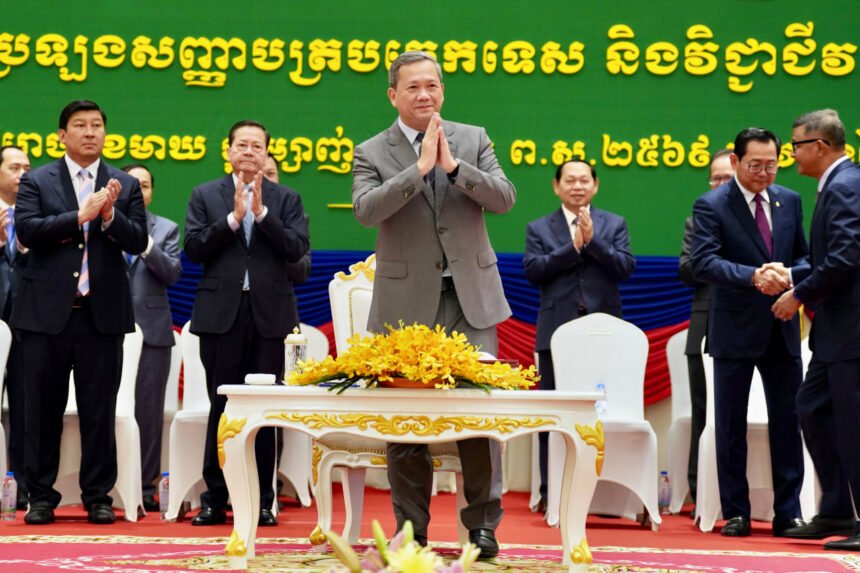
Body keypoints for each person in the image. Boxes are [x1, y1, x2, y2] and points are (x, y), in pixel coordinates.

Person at [352, 50, 515, 558]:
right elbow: (365, 210)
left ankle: (483, 527)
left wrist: (453, 166)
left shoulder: (473, 137)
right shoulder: (371, 150)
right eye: (414, 88)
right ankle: (411, 531)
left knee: (478, 419)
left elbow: (504, 198)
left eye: (433, 86)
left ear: (442, 90)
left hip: (471, 300)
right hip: (406, 303)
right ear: (393, 95)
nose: (425, 95)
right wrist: (418, 171)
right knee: (406, 424)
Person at [13, 100, 148, 525]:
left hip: (100, 314)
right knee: (41, 409)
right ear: (62, 135)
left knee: (98, 409)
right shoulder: (36, 179)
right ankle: (40, 496)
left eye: (96, 125)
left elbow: (138, 240)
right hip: (45, 315)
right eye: (80, 125)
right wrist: (79, 216)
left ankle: (98, 496)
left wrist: (109, 216)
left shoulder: (123, 183)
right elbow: (30, 231)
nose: (90, 132)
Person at [184, 120, 309, 527]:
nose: (250, 152)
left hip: (270, 317)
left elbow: (295, 249)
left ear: (268, 154)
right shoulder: (205, 194)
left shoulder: (286, 199)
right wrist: (234, 220)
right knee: (223, 409)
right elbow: (195, 249)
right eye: (242, 145)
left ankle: (261, 500)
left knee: (264, 412)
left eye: (258, 146)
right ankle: (215, 498)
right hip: (221, 317)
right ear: (229, 150)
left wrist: (262, 215)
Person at [691, 127, 809, 537]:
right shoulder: (712, 205)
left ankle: (788, 511)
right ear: (737, 162)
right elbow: (703, 262)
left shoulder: (790, 200)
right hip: (734, 327)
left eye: (772, 164)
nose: (764, 172)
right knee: (729, 424)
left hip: (782, 325)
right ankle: (736, 510)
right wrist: (754, 276)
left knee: (788, 420)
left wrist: (790, 273)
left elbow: (807, 257)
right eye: (755, 165)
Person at [523, 158, 635, 513]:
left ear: (595, 185)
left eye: (583, 180)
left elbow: (625, 267)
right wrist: (571, 247)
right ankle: (549, 491)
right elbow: (534, 271)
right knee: (551, 415)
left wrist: (593, 241)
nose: (577, 186)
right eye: (569, 180)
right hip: (556, 334)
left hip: (604, 336)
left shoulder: (614, 223)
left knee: (602, 414)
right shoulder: (539, 228)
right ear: (556, 186)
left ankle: (603, 493)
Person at [772, 109, 860, 548]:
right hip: (834, 335)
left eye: (796, 146)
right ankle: (837, 511)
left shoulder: (844, 186)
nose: (792, 154)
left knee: (853, 423)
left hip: (851, 331)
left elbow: (846, 258)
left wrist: (798, 293)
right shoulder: (836, 186)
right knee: (813, 409)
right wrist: (795, 276)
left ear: (820, 146)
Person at [120, 164, 182, 513]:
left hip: (153, 334)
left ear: (151, 192)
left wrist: (145, 244)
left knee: (148, 413)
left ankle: (145, 486)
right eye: (131, 184)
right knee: (102, 410)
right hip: (105, 331)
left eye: (143, 185)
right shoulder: (102, 225)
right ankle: (105, 483)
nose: (138, 191)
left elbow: (172, 273)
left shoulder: (166, 229)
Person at [677, 148, 733, 517]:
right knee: (703, 410)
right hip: (707, 323)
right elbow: (686, 270)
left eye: (727, 178)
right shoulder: (697, 221)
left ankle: (742, 495)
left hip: (753, 327)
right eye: (715, 178)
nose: (720, 184)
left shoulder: (766, 220)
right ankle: (700, 492)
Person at [0, 145, 31, 510]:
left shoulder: (35, 214)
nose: (22, 174)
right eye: (14, 167)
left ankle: (25, 486)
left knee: (26, 407)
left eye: (26, 167)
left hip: (27, 320)